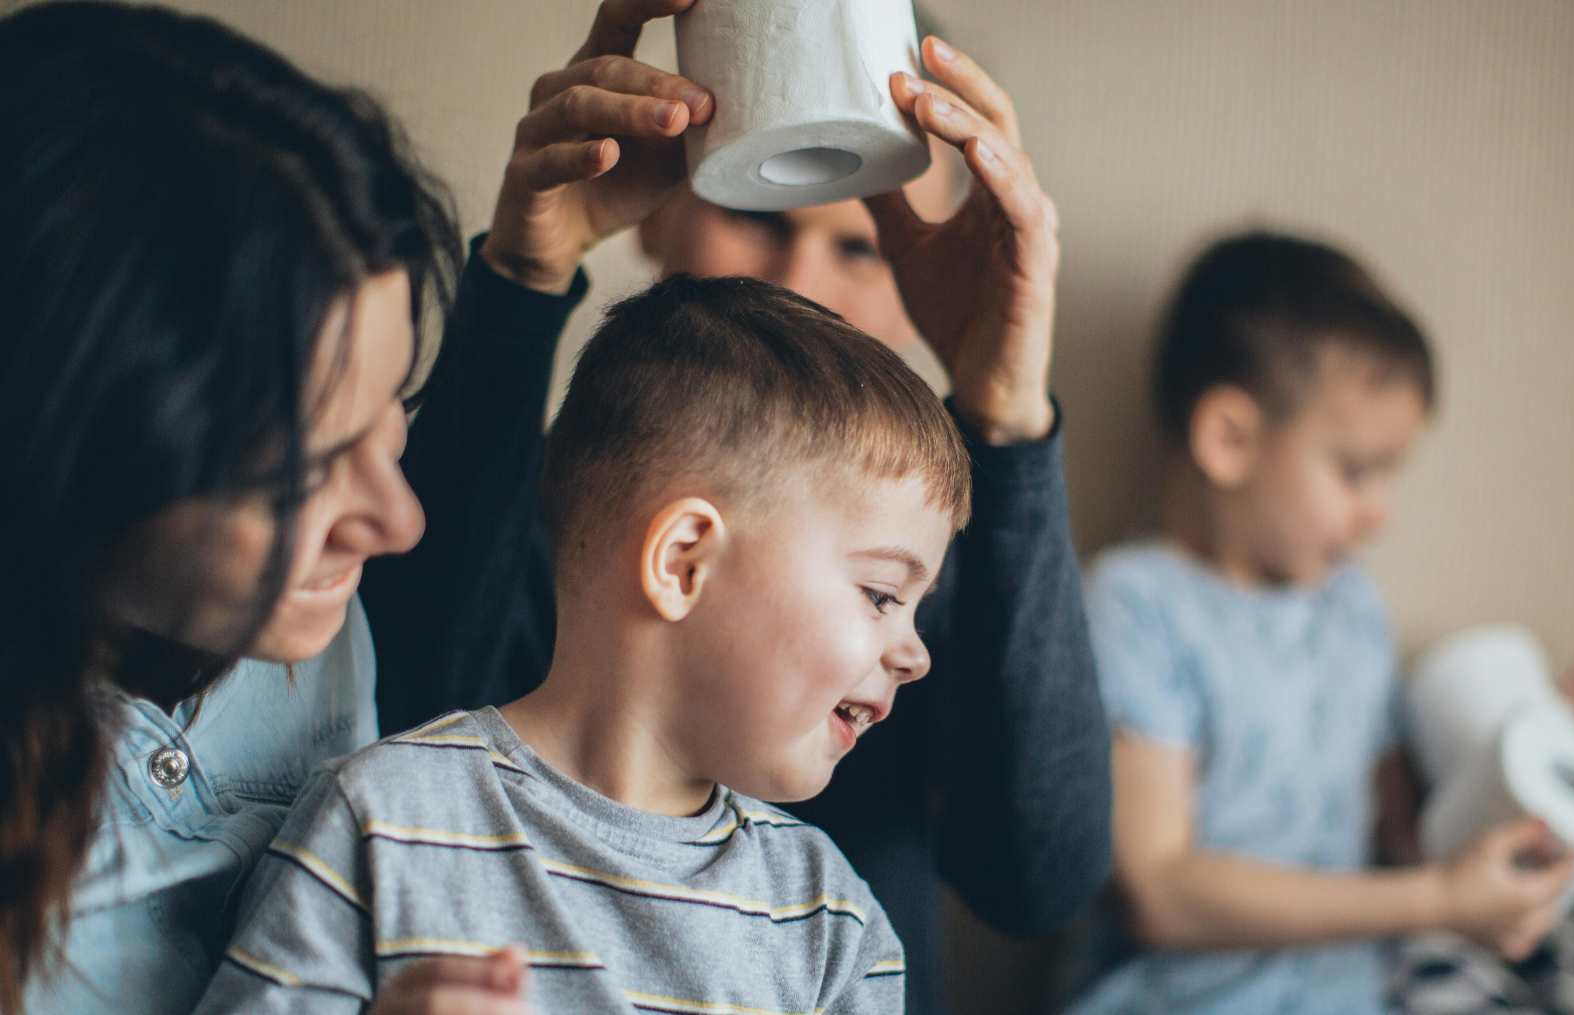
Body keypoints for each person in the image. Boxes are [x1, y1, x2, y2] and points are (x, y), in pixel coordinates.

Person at [358, 4, 1112, 1009]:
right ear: (661, 206)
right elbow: (400, 728)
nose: (803, 280)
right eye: (763, 212)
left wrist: (1006, 419)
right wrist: (522, 278)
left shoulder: (918, 559)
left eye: (866, 246)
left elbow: (1037, 879)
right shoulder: (554, 504)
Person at [0, 3, 705, 1012]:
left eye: (391, 406)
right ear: (57, 459)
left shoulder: (317, 642)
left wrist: (529, 263)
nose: (396, 521)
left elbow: (432, 661)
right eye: (301, 470)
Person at [199, 274, 968, 1013]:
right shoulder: (379, 821)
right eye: (880, 595)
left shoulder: (834, 926)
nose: (915, 653)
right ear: (683, 561)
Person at [1064, 231, 1574, 1014]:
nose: (1379, 515)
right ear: (1230, 439)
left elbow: (1405, 838)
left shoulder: (1351, 608)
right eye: (1355, 471)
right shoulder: (1137, 605)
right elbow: (1160, 890)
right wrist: (1435, 900)